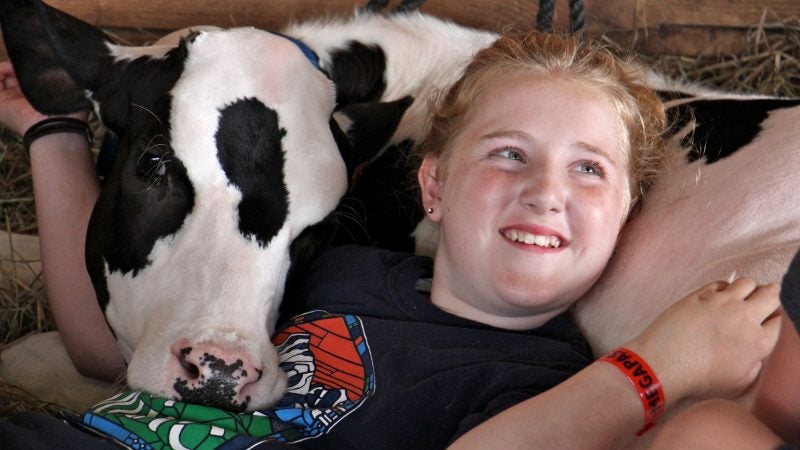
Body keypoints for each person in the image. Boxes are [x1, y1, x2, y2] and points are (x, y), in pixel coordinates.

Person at [0, 31, 786, 449]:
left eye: (590, 171)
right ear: (431, 185)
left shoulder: (542, 385)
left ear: (625, 218)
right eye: (509, 153)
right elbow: (104, 343)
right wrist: (53, 131)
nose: (547, 191)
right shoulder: (338, 267)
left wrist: (646, 373)